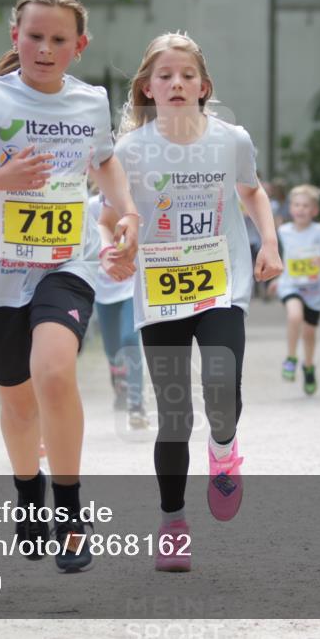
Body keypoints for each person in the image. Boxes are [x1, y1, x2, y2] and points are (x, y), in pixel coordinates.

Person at [0, 0, 139, 574]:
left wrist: (127, 212)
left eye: (59, 40)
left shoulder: (90, 101)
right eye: (35, 36)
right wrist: (2, 179)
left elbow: (105, 161)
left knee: (55, 372)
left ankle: (70, 513)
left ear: (79, 46)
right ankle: (27, 493)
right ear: (16, 37)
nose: (45, 49)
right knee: (18, 401)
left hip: (67, 263)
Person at [115, 32, 282, 572]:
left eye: (187, 75)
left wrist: (270, 243)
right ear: (147, 87)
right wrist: (117, 244)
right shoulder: (129, 151)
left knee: (221, 385)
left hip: (220, 282)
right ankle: (173, 524)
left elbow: (251, 190)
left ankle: (225, 448)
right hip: (160, 289)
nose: (177, 83)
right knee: (174, 414)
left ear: (204, 86)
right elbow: (112, 212)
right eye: (165, 75)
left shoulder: (231, 140)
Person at [87, 192, 146, 428]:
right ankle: (120, 380)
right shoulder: (91, 207)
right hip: (103, 288)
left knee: (129, 339)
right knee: (112, 349)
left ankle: (136, 404)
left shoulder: (135, 203)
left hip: (130, 286)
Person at [272, 185, 320, 393]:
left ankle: (308, 366)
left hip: (314, 290)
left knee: (309, 333)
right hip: (290, 285)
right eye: (297, 205)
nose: (301, 209)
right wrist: (276, 278)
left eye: (306, 206)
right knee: (294, 316)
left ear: (315, 210)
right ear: (291, 208)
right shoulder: (283, 231)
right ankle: (291, 358)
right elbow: (280, 257)